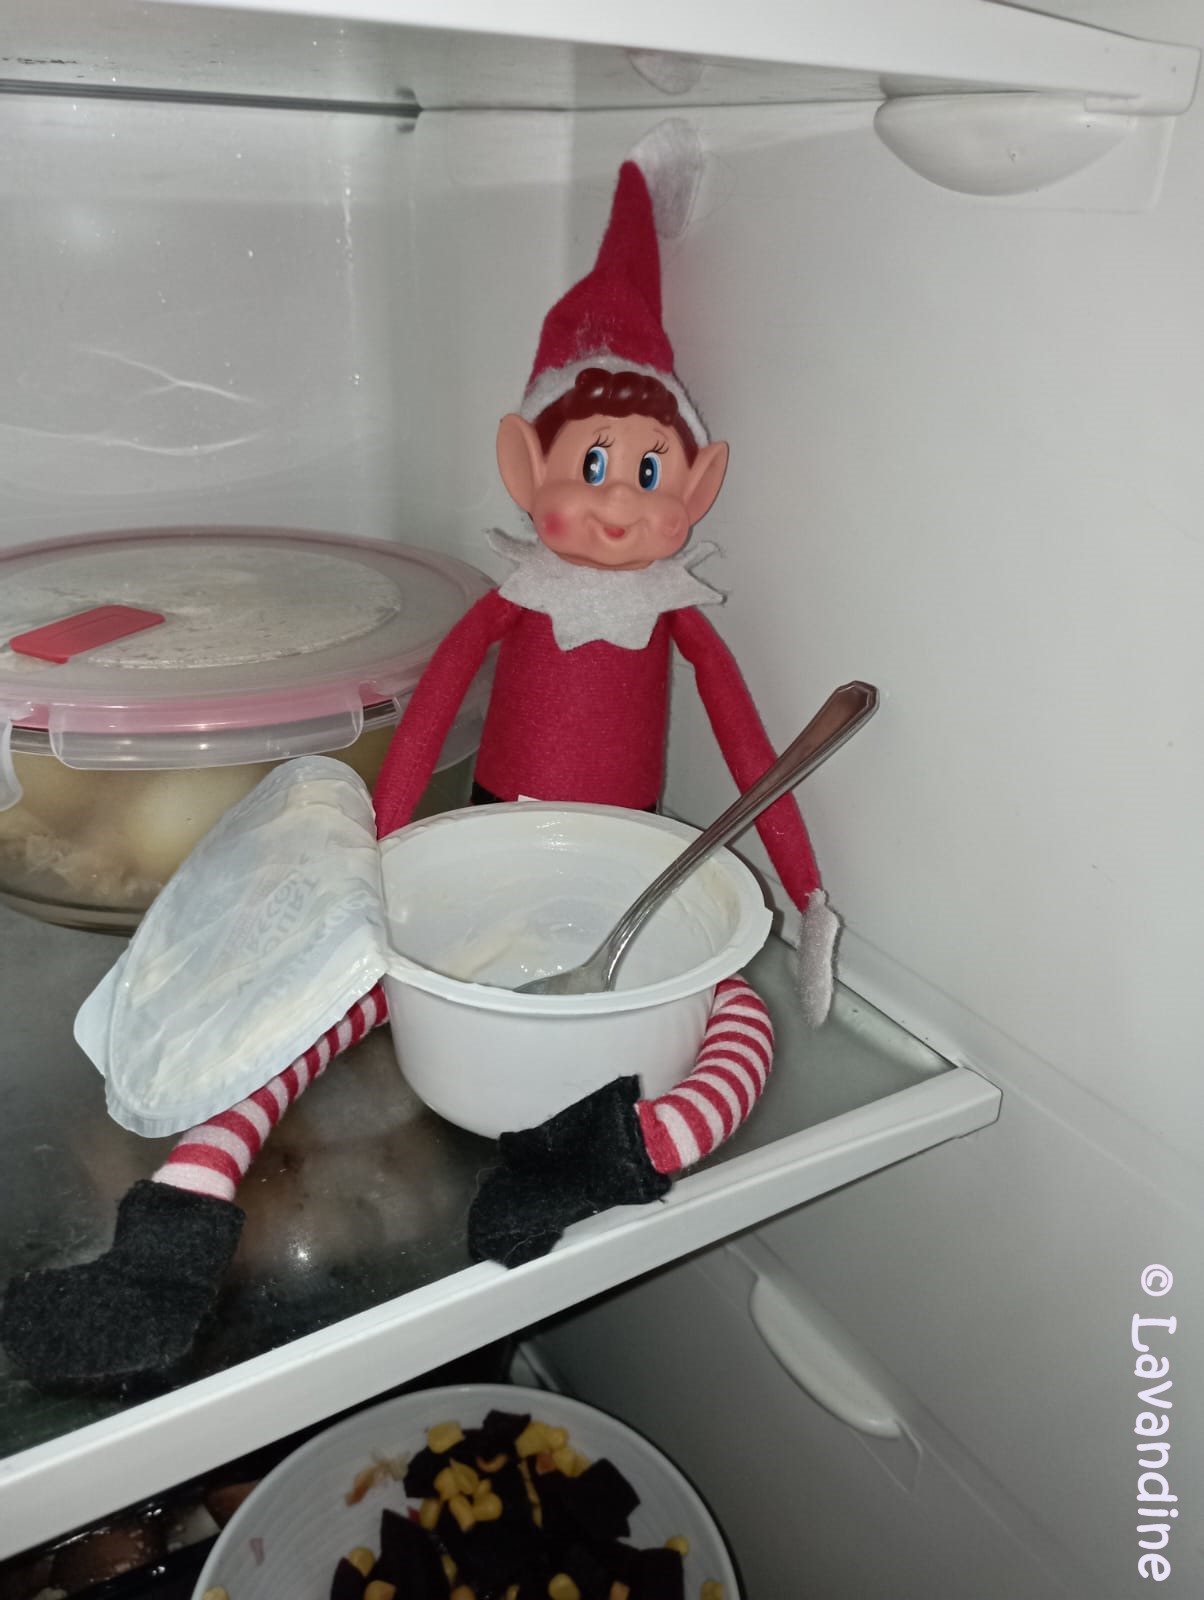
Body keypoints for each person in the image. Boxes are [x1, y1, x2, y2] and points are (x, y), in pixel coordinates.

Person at [0, 125, 832, 1392]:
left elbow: (749, 741)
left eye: (648, 471)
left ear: (698, 481)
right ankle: (164, 1239)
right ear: (524, 468)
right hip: (472, 837)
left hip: (632, 859)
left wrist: (803, 894)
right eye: (591, 465)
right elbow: (435, 708)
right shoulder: (506, 606)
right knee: (316, 1011)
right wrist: (371, 862)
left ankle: (603, 1158)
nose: (618, 499)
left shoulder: (675, 619)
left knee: (736, 1020)